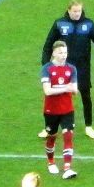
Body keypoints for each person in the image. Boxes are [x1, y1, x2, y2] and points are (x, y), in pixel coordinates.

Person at [40, 0, 94, 139]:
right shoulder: (60, 24)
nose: (77, 13)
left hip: (82, 67)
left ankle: (89, 126)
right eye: (75, 11)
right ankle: (49, 128)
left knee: (86, 96)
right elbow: (48, 45)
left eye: (79, 11)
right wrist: (45, 65)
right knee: (54, 97)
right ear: (69, 10)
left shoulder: (89, 24)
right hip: (61, 67)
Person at [40, 41, 78, 179]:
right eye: (61, 52)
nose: (64, 55)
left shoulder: (71, 69)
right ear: (54, 53)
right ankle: (51, 162)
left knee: (68, 135)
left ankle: (67, 168)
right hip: (51, 110)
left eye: (65, 52)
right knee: (52, 137)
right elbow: (47, 91)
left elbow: (75, 89)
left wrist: (64, 88)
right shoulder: (47, 69)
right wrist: (65, 88)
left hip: (67, 109)